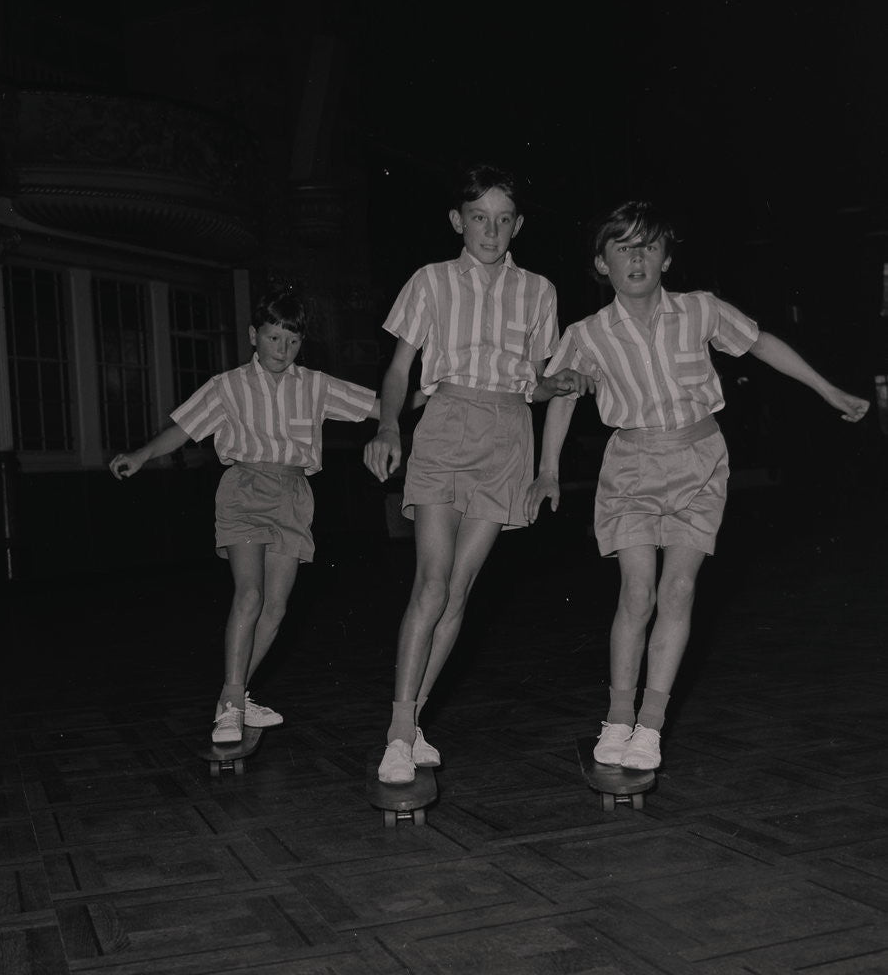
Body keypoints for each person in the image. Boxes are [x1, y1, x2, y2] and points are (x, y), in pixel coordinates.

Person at [525, 200, 871, 771]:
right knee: (638, 593)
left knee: (679, 591)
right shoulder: (586, 333)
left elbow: (760, 343)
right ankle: (616, 717)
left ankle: (651, 727)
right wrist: (547, 471)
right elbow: (560, 396)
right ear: (600, 263)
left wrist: (826, 389)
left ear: (665, 259)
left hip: (700, 460)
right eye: (623, 247)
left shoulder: (700, 310)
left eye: (650, 246)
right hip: (632, 465)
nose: (637, 257)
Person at [364, 162, 590, 785]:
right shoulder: (430, 282)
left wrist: (560, 383)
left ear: (517, 226)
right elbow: (398, 370)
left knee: (460, 591)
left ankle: (413, 724)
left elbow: (536, 382)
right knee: (431, 585)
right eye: (478, 218)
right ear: (456, 221)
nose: (490, 230)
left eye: (502, 219)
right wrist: (388, 426)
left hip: (508, 437)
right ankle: (398, 731)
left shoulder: (539, 291)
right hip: (445, 425)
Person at [110, 292, 379, 744]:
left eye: (292, 342)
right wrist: (141, 455)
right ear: (254, 336)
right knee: (250, 595)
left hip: (294, 494)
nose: (282, 350)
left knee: (276, 607)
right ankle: (234, 704)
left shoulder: (315, 385)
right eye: (273, 338)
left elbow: (378, 407)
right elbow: (184, 428)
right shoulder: (227, 386)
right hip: (245, 490)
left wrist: (440, 391)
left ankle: (230, 700)